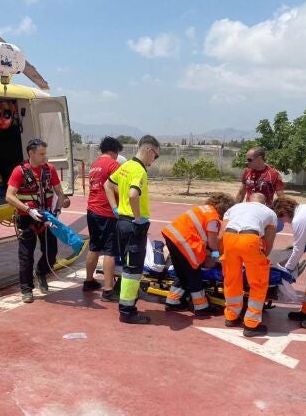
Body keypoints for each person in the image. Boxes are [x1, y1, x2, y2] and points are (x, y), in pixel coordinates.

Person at [5, 139, 70, 303]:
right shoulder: (19, 172)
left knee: (52, 252)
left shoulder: (50, 170)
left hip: (47, 217)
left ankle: (41, 272)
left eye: (45, 153)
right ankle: (27, 289)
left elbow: (60, 192)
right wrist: (28, 210)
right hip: (27, 219)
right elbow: (9, 196)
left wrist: (58, 210)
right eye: (41, 154)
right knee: (26, 256)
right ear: (31, 153)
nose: (44, 157)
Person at [105, 135, 160, 324]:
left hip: (121, 222)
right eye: (156, 156)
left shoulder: (125, 166)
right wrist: (137, 218)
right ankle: (127, 310)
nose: (154, 160)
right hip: (133, 225)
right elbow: (133, 194)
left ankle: (127, 304)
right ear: (148, 150)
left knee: (128, 265)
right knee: (133, 269)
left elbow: (107, 185)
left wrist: (115, 208)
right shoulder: (139, 170)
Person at [162, 193, 235, 317]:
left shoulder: (202, 209)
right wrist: (216, 255)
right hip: (184, 242)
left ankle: (172, 301)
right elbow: (213, 243)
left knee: (182, 273)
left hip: (171, 237)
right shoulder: (213, 219)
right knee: (193, 273)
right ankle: (201, 307)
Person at [220, 193, 279, 337]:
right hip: (251, 239)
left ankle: (231, 316)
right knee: (258, 282)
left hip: (229, 238)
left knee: (231, 278)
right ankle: (251, 324)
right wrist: (262, 259)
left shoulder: (234, 207)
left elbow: (220, 235)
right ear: (265, 203)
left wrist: (224, 255)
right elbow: (269, 241)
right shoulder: (270, 213)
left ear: (248, 200)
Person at [273, 197, 306, 329]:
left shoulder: (298, 220)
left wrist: (287, 269)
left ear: (284, 213)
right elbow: (302, 243)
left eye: (281, 219)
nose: (283, 222)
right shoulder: (304, 208)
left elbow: (298, 249)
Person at [84, 136, 124, 301]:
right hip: (107, 212)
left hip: (92, 211)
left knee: (94, 247)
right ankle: (108, 290)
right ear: (113, 151)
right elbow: (117, 188)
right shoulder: (113, 165)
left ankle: (89, 281)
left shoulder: (94, 165)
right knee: (110, 251)